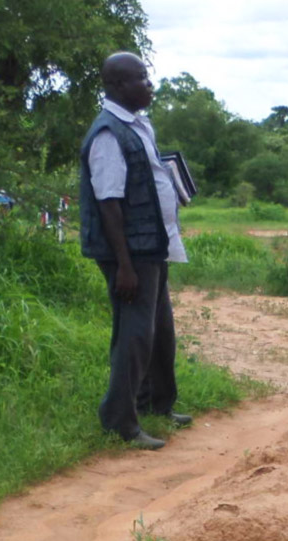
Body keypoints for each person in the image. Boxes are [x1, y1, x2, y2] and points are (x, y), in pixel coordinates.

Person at [79, 52, 191, 450]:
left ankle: (157, 405)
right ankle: (120, 421)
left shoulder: (137, 125)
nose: (150, 85)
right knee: (134, 335)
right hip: (132, 255)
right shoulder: (109, 134)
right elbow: (108, 203)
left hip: (152, 246)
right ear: (119, 86)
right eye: (142, 78)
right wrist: (124, 265)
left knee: (159, 332)